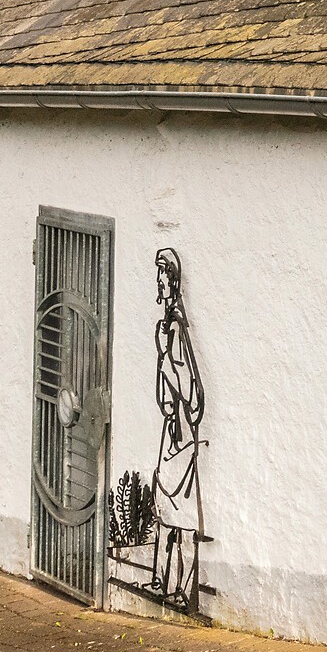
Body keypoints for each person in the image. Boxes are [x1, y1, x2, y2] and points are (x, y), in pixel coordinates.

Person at [147, 247, 206, 612]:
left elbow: (187, 383)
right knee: (168, 508)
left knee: (180, 512)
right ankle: (167, 582)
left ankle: (182, 587)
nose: (159, 282)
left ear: (173, 280)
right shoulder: (166, 325)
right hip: (172, 429)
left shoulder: (175, 328)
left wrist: (166, 360)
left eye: (163, 276)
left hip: (180, 434)